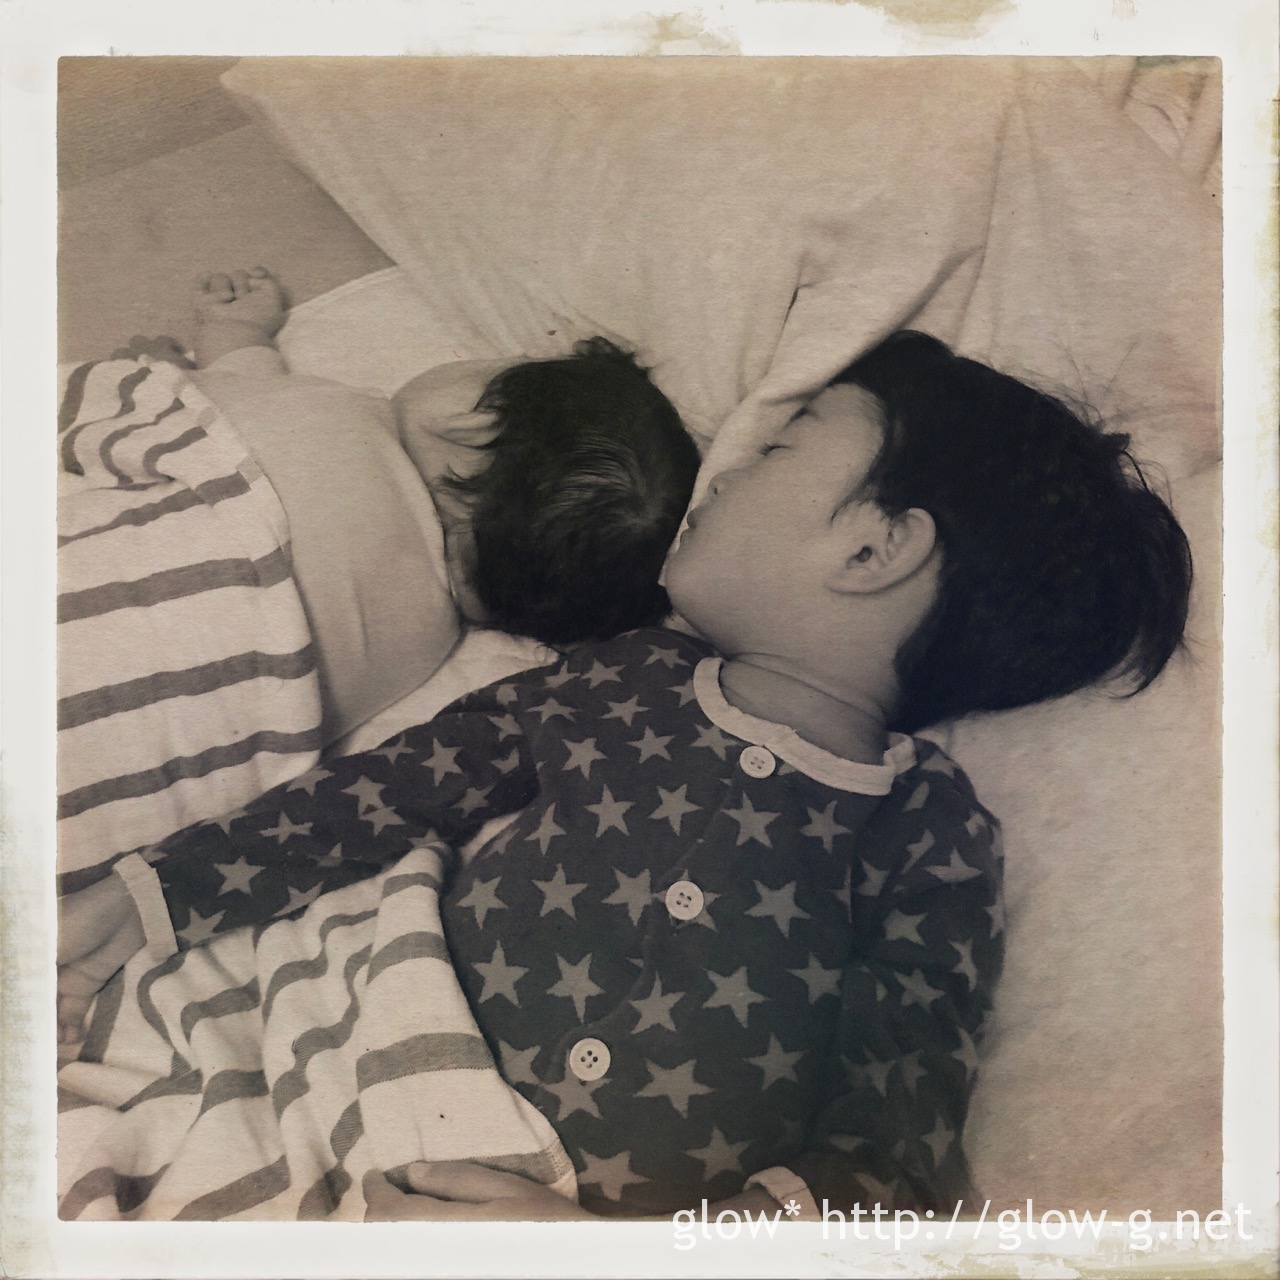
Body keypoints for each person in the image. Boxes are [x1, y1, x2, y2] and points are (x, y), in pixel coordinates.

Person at [58, 330, 1193, 1222]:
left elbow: (888, 1147)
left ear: (872, 549)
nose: (721, 472)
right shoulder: (618, 677)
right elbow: (392, 790)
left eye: (778, 451)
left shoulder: (929, 833)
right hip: (337, 1054)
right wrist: (160, 891)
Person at [185, 267, 701, 739]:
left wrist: (235, 332)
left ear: (473, 423)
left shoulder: (337, 421)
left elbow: (229, 397)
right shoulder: (417, 652)